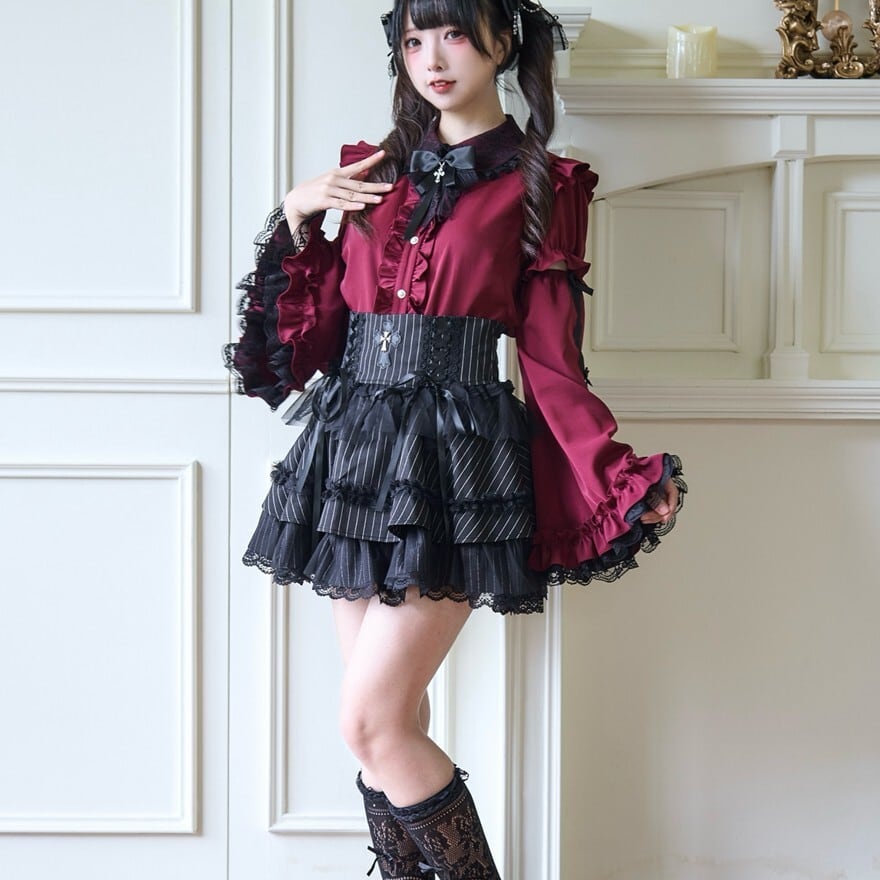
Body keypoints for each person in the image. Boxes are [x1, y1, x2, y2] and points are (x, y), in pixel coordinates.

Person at [224, 1, 686, 877]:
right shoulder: (369, 172)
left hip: (455, 455)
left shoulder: (544, 184)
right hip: (352, 450)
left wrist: (614, 472)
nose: (432, 58)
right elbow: (315, 335)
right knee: (386, 725)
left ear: (503, 43)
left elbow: (550, 358)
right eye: (413, 40)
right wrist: (298, 212)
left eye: (454, 35)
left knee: (371, 722)